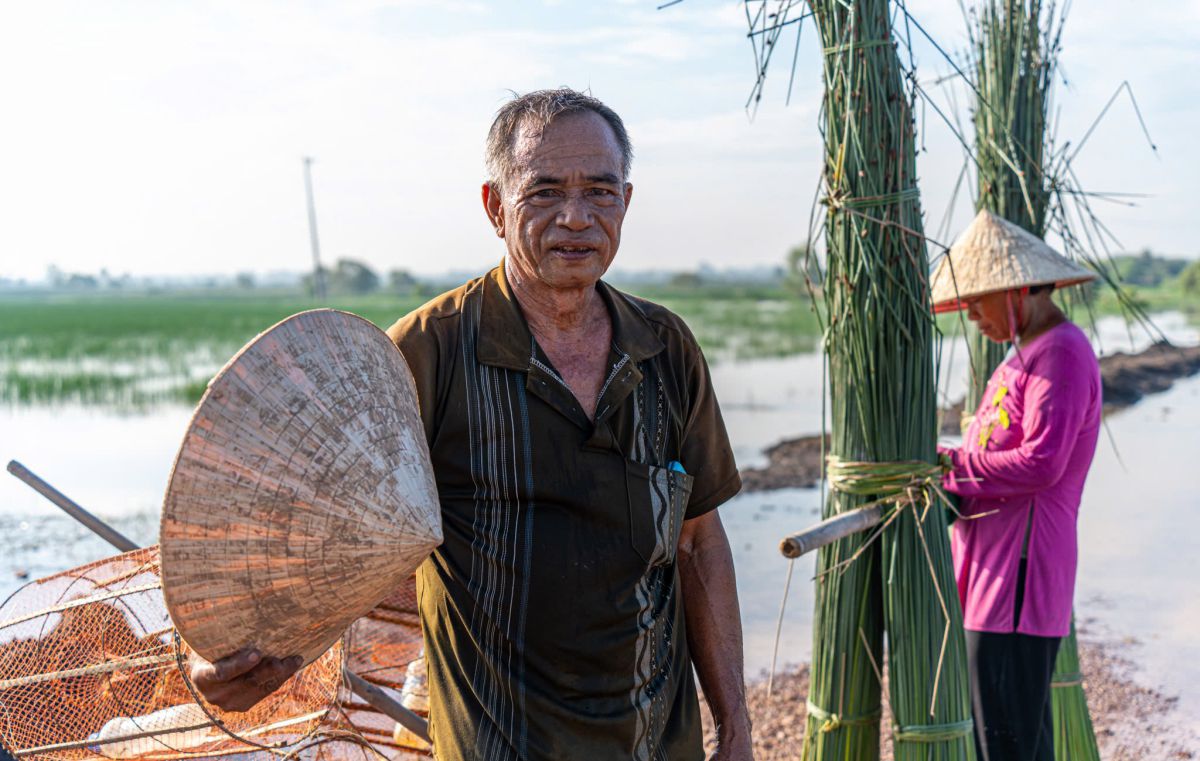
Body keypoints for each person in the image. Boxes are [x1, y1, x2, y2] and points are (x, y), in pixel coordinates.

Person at [189, 89, 753, 761]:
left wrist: (737, 725)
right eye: (544, 192)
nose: (576, 217)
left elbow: (697, 544)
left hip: (658, 744)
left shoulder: (665, 347)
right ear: (495, 207)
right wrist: (243, 649)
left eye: (600, 192)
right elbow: (311, 530)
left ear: (625, 203)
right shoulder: (428, 353)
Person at [930, 209, 1102, 761]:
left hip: (1019, 582)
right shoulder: (1021, 355)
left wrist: (950, 465)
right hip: (989, 574)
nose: (972, 315)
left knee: (1004, 741)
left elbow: (1043, 462)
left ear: (1019, 288)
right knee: (1007, 737)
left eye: (977, 300)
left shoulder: (1062, 351)